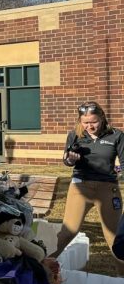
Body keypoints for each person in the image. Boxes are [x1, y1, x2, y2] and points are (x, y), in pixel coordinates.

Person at [54, 101, 124, 271]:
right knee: (68, 232)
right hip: (80, 186)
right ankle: (42, 266)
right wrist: (71, 159)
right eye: (85, 122)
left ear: (102, 118)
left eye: (94, 122)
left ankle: (122, 278)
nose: (90, 126)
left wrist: (120, 170)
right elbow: (66, 160)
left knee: (114, 237)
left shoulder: (116, 135)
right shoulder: (74, 135)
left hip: (107, 188)